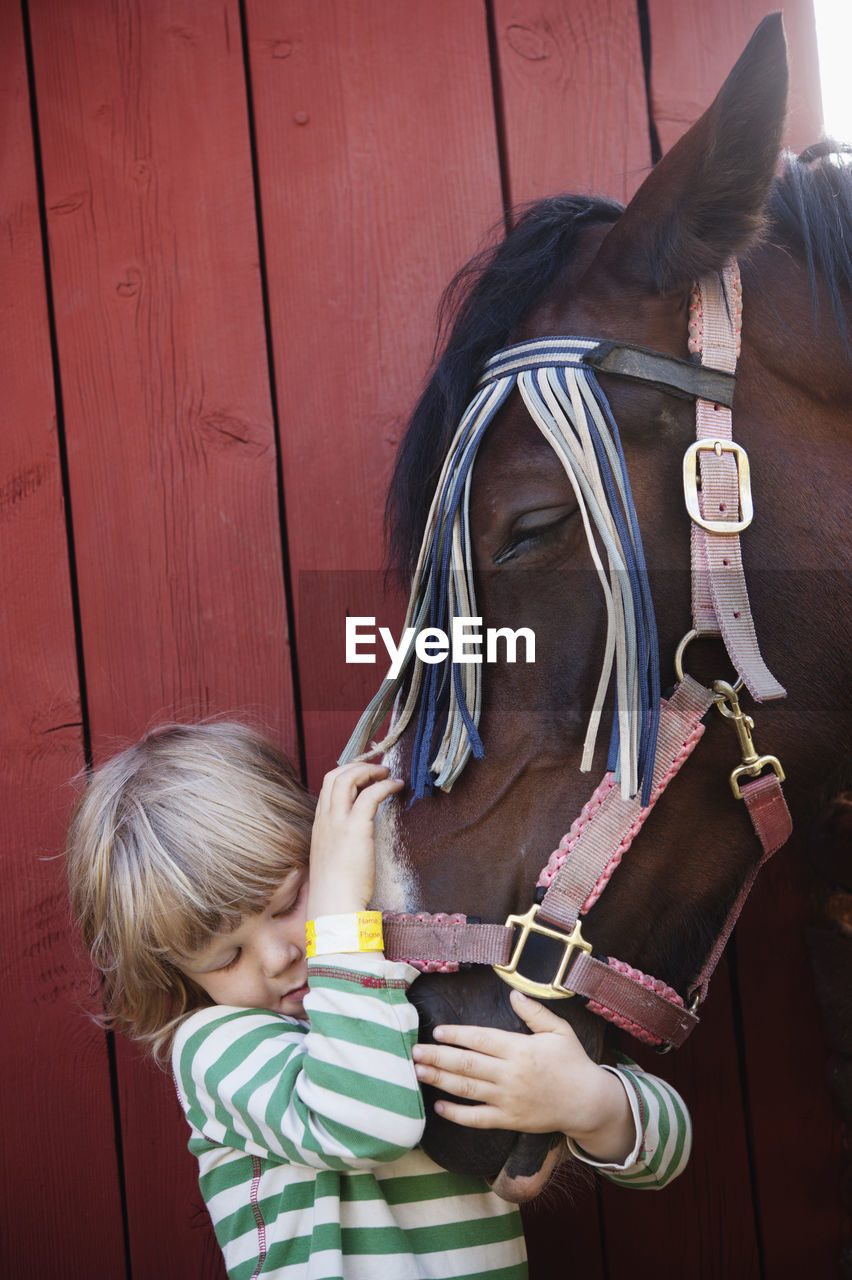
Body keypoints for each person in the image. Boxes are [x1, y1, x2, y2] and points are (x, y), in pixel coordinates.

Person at [66, 721, 691, 1280]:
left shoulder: (414, 995)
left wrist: (589, 1102)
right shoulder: (216, 1048)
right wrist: (335, 915)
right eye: (225, 957)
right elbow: (370, 1123)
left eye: (287, 904)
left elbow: (669, 1149)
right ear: (178, 974)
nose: (279, 956)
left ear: (326, 846)